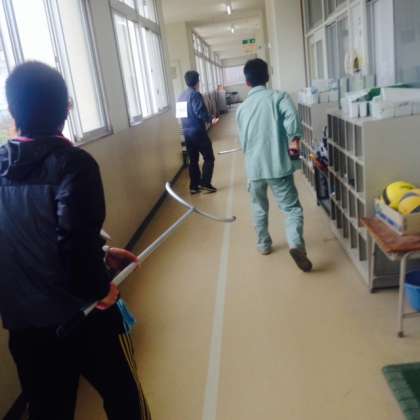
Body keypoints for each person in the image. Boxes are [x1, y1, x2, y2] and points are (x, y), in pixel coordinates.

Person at [0, 61, 151, 420]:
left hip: (26, 327)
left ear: (12, 111)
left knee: (48, 411)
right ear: (66, 108)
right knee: (125, 400)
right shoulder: (73, 164)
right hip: (84, 318)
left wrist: (101, 251)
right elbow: (73, 244)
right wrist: (101, 289)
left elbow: (31, 237)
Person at [236, 58, 312, 272]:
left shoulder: (241, 108)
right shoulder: (279, 97)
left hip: (253, 168)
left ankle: (263, 245)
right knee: (291, 208)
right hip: (277, 165)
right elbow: (292, 119)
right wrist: (294, 139)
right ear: (267, 77)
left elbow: (242, 140)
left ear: (247, 82)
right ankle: (295, 244)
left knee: (258, 207)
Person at [178, 70, 219, 194]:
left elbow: (180, 115)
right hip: (197, 132)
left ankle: (194, 186)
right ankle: (205, 183)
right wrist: (211, 119)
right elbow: (199, 111)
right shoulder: (195, 94)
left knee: (193, 160)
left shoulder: (181, 96)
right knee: (209, 157)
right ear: (197, 81)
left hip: (187, 132)